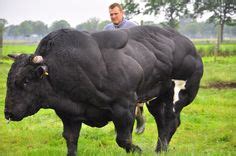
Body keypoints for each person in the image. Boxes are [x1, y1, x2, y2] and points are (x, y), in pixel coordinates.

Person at [104, 3, 145, 134]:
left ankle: (139, 118)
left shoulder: (132, 27)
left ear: (122, 13)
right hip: (114, 68)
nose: (113, 16)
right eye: (111, 14)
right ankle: (119, 126)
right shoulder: (107, 28)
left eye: (116, 13)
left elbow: (141, 47)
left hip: (131, 66)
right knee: (116, 99)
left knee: (134, 97)